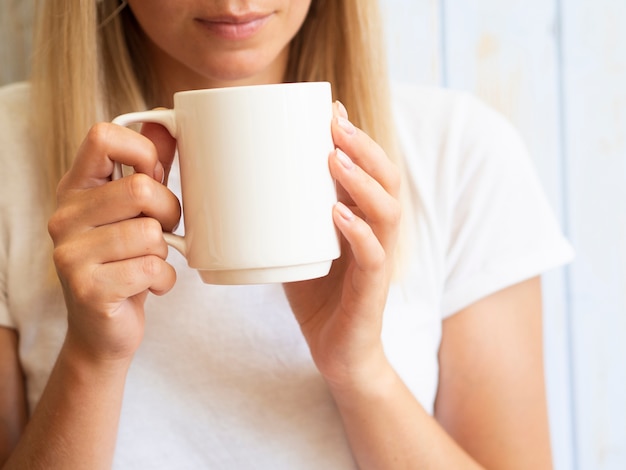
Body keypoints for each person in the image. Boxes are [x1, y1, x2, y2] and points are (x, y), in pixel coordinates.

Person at [0, 0, 573, 468]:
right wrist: (91, 359)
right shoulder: (9, 154)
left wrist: (360, 369)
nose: (233, 2)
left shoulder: (461, 154)